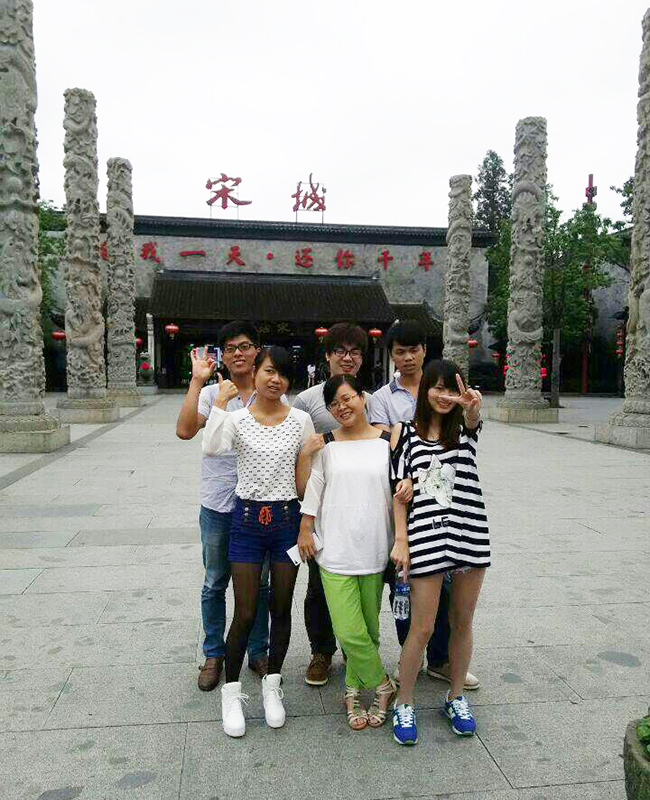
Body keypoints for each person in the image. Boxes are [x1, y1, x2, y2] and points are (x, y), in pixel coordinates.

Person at [202, 346, 321, 738]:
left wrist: (306, 524)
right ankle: (232, 693)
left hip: (287, 521)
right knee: (246, 611)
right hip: (247, 522)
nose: (276, 379)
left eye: (283, 374)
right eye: (270, 371)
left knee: (282, 608)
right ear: (255, 373)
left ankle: (272, 686)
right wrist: (220, 403)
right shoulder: (237, 418)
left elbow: (310, 476)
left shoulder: (301, 419)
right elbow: (211, 447)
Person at [297, 375, 412, 730]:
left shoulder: (387, 441)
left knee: (369, 631)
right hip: (335, 550)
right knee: (348, 631)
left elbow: (400, 487)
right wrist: (305, 527)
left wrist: (402, 534)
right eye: (334, 404)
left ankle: (353, 691)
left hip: (375, 548)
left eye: (347, 398)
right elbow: (314, 487)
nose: (342, 407)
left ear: (362, 398)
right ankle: (383, 684)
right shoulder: (327, 443)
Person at [371, 320, 480, 694]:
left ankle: (445, 668)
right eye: (399, 351)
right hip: (414, 521)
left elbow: (470, 425)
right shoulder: (389, 409)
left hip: (459, 525)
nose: (407, 357)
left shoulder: (456, 414)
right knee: (413, 605)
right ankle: (410, 671)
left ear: (424, 351)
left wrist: (467, 409)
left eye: (413, 349)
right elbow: (391, 461)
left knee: (454, 606)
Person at [390, 360, 490, 746]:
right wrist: (401, 541)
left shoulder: (464, 431)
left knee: (462, 621)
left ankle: (456, 696)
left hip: (469, 533)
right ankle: (404, 701)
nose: (445, 396)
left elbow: (473, 420)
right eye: (438, 387)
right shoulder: (406, 434)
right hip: (426, 538)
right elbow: (398, 492)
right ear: (425, 389)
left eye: (452, 389)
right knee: (423, 627)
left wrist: (472, 407)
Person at [175, 321, 270, 692]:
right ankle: (214, 654)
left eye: (245, 346)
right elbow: (185, 430)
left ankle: (258, 651)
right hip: (217, 504)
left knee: (259, 584)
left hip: (259, 505)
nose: (238, 353)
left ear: (257, 350)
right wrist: (197, 381)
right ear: (222, 356)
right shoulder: (212, 392)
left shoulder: (269, 391)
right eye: (230, 348)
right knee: (215, 582)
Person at [293, 323, 373, 687]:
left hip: (363, 508)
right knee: (319, 585)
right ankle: (321, 651)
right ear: (327, 356)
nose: (347, 357)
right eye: (340, 350)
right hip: (322, 507)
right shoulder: (307, 400)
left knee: (364, 582)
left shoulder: (370, 398)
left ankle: (356, 649)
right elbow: (297, 452)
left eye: (354, 351)